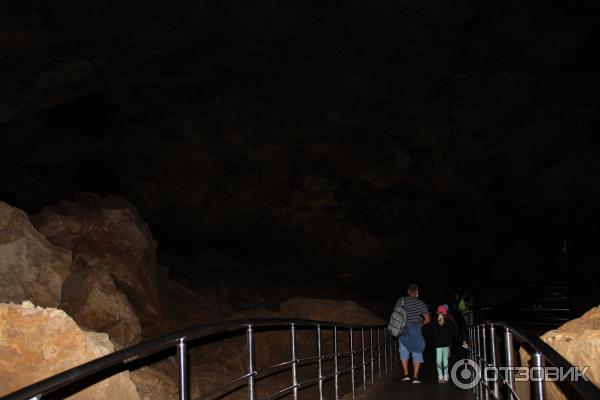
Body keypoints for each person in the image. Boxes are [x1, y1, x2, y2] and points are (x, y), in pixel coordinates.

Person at [397, 283, 430, 384]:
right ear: (417, 293)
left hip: (402, 330)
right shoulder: (421, 303)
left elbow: (396, 315)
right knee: (417, 351)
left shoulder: (401, 301)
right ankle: (415, 377)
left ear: (408, 292)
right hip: (415, 329)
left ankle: (406, 374)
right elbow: (427, 320)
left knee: (403, 352)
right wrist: (421, 324)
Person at [425, 305, 459, 383]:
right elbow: (455, 333)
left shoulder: (434, 322)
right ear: (445, 312)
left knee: (438, 361)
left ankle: (440, 377)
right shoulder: (449, 322)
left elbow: (427, 333)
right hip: (446, 345)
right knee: (445, 360)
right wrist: (462, 341)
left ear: (437, 313)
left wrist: (425, 325)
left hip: (438, 345)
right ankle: (446, 376)